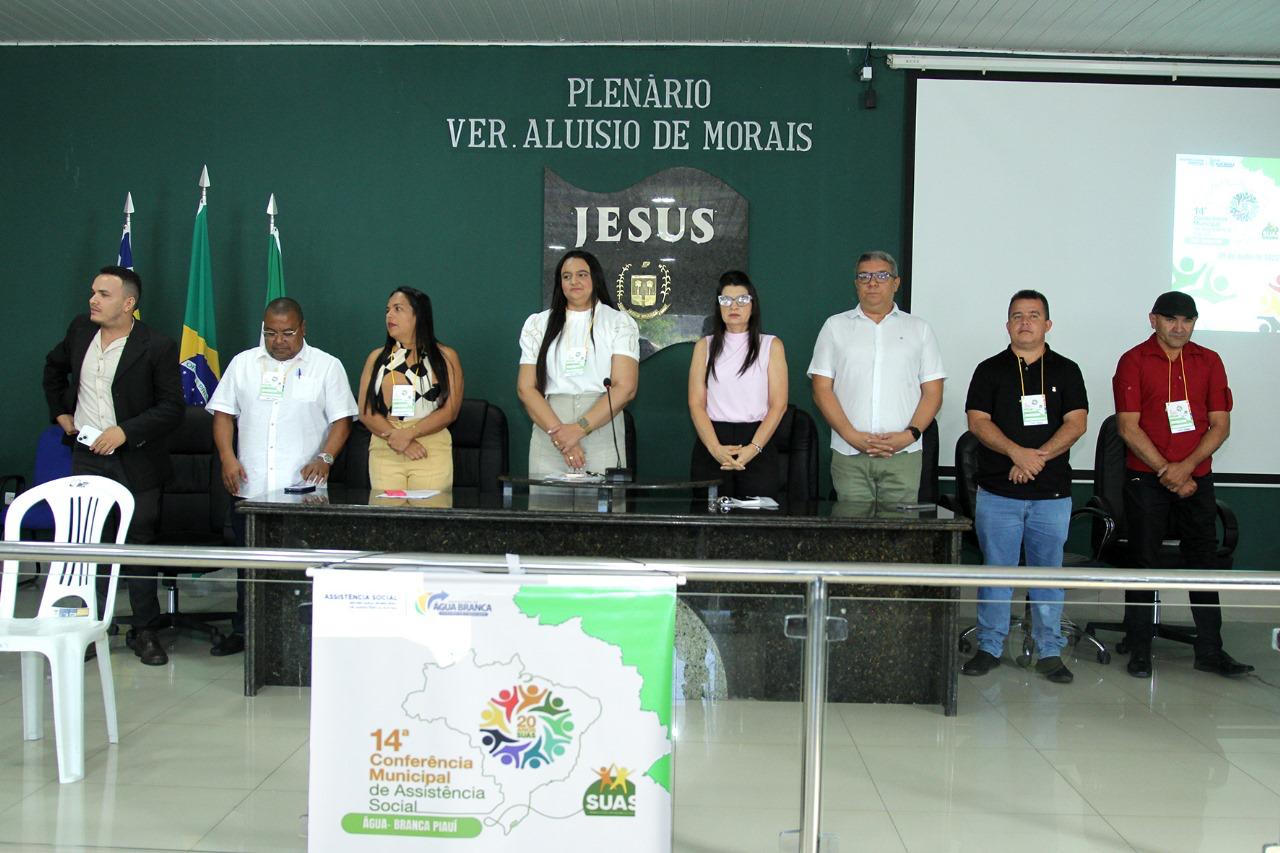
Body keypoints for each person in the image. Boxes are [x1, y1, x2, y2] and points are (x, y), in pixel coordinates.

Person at [42, 265, 184, 666]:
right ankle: (90, 628)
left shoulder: (156, 345)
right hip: (87, 456)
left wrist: (126, 431)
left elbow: (172, 408)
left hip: (136, 459)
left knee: (137, 546)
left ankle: (145, 630)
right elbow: (52, 370)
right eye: (93, 292)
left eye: (103, 294)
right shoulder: (79, 331)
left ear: (128, 303)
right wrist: (61, 415)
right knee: (89, 544)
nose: (93, 300)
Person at [1112, 291, 1252, 679]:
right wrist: (1166, 471)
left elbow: (1220, 424)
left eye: (1187, 320)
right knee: (1144, 563)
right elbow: (1127, 427)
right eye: (1171, 319)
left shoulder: (1209, 361)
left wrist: (1185, 468)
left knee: (1203, 564)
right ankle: (1139, 649)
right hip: (1146, 479)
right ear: (1153, 319)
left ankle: (1210, 650)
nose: (1179, 327)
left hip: (1196, 479)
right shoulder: (1133, 360)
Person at [206, 297, 358, 655]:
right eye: (271, 333)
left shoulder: (327, 366)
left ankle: (305, 635)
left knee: (305, 568)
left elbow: (342, 420)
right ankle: (245, 632)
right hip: (250, 487)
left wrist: (326, 457)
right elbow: (223, 415)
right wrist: (227, 458)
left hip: (305, 491)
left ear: (303, 329)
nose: (279, 340)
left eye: (288, 332)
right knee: (249, 567)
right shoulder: (243, 364)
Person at [960, 290, 1088, 684]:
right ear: (1007, 325)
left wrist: (1036, 459)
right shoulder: (989, 369)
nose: (1025, 322)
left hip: (1051, 494)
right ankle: (990, 647)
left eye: (1034, 316)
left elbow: (1077, 423)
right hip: (999, 494)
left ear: (1047, 325)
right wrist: (1017, 453)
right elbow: (977, 422)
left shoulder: (1066, 370)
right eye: (1017, 316)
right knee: (996, 574)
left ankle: (1050, 651)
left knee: (1048, 575)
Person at [807, 250, 945, 505]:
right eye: (864, 276)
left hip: (903, 454)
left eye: (882, 275)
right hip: (849, 453)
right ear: (856, 284)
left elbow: (933, 392)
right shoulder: (835, 327)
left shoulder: (919, 329)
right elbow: (821, 389)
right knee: (851, 537)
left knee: (898, 539)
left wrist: (909, 435)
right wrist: (851, 435)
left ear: (896, 283)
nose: (872, 282)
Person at [517, 250, 638, 478]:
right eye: (566, 276)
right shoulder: (537, 324)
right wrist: (562, 435)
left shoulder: (619, 322)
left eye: (582, 274)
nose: (574, 281)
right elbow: (526, 388)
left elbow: (626, 387)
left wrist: (578, 429)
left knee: (600, 511)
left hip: (600, 426)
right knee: (547, 511)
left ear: (595, 278)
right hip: (549, 428)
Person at [688, 271, 788, 501]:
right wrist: (716, 449)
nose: (734, 306)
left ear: (753, 304)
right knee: (707, 524)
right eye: (726, 300)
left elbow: (778, 405)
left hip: (757, 443)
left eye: (742, 300)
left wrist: (752, 449)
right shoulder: (704, 346)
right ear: (718, 305)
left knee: (756, 530)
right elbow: (695, 403)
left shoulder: (771, 345)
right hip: (712, 442)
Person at [357, 287, 463, 494]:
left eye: (398, 309)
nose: (389, 315)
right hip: (385, 445)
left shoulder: (446, 357)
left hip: (429, 447)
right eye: (387, 310)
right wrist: (397, 437)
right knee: (386, 518)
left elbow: (450, 410)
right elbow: (365, 410)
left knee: (429, 516)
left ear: (419, 315)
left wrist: (411, 435)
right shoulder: (376, 358)